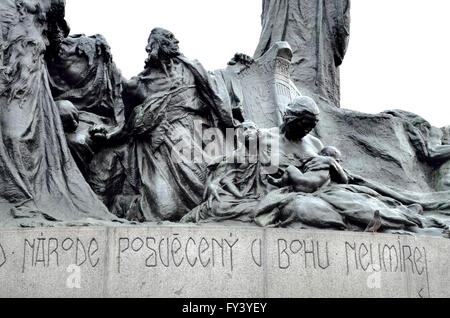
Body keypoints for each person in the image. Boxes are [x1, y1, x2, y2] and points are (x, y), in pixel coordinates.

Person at [91, 28, 237, 221]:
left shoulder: (192, 69)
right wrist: (109, 136)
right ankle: (125, 205)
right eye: (169, 37)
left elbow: (216, 101)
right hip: (164, 142)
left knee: (218, 184)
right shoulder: (138, 85)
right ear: (156, 45)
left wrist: (233, 132)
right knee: (166, 208)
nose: (176, 40)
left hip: (199, 133)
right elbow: (128, 126)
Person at [0, 0, 113, 226]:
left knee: (17, 135)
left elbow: (55, 32)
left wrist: (56, 104)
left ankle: (23, 199)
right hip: (9, 61)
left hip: (28, 66)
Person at [268, 146, 348, 193]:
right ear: (325, 155)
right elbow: (344, 180)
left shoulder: (327, 161)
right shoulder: (328, 165)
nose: (338, 164)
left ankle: (281, 184)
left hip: (303, 182)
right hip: (312, 188)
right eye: (337, 161)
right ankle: (281, 184)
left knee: (290, 168)